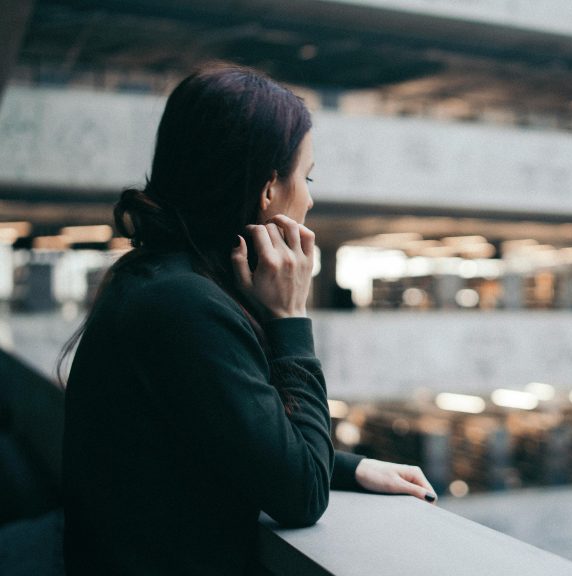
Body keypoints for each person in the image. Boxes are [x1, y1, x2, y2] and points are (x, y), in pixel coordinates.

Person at [58, 64, 436, 575]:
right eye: (306, 177)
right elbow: (300, 494)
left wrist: (353, 466)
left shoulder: (157, 278)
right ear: (266, 192)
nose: (310, 197)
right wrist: (290, 319)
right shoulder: (185, 306)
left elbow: (229, 429)